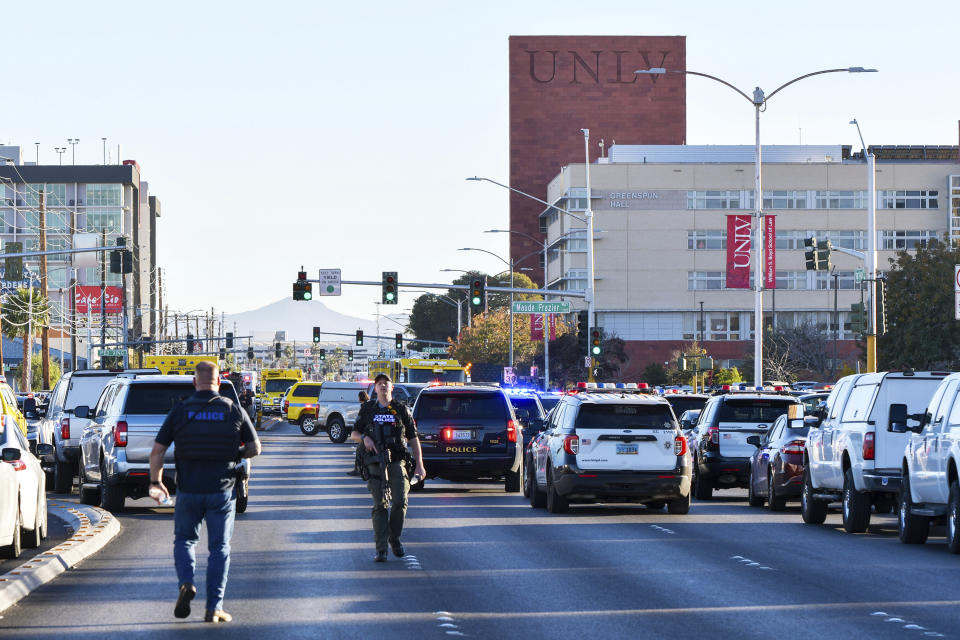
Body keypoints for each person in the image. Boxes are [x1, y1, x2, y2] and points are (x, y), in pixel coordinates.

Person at [149, 361, 262, 624]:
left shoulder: (180, 410)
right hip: (222, 491)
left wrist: (156, 482)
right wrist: (236, 454)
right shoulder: (233, 410)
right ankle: (214, 608)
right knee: (219, 548)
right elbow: (255, 447)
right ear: (219, 383)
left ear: (194, 382)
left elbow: (157, 451)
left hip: (188, 489)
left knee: (185, 541)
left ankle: (186, 583)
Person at [351, 373, 426, 562]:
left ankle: (394, 538)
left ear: (392, 387)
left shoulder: (401, 410)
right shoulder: (368, 409)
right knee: (380, 504)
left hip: (397, 460)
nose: (383, 386)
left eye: (386, 383)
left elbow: (413, 439)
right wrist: (364, 438)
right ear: (375, 389)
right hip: (374, 462)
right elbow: (354, 433)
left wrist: (420, 465)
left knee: (400, 500)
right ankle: (381, 549)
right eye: (379, 384)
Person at [346, 390, 370, 477]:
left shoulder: (364, 407)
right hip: (369, 432)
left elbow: (360, 420)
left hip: (367, 434)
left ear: (360, 397)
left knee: (359, 451)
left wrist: (356, 430)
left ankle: (358, 470)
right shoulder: (370, 404)